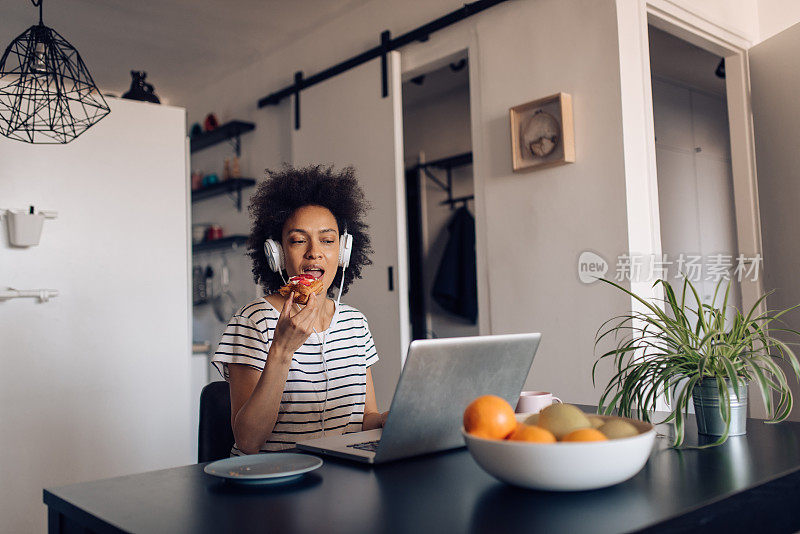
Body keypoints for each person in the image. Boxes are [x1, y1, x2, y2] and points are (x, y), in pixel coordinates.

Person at [211, 165, 388, 455]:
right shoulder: (253, 320)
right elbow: (248, 441)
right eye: (298, 240)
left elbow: (365, 419)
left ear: (343, 253)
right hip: (274, 481)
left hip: (342, 475)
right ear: (277, 253)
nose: (314, 252)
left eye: (328, 240)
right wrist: (282, 350)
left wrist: (386, 421)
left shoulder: (356, 323)